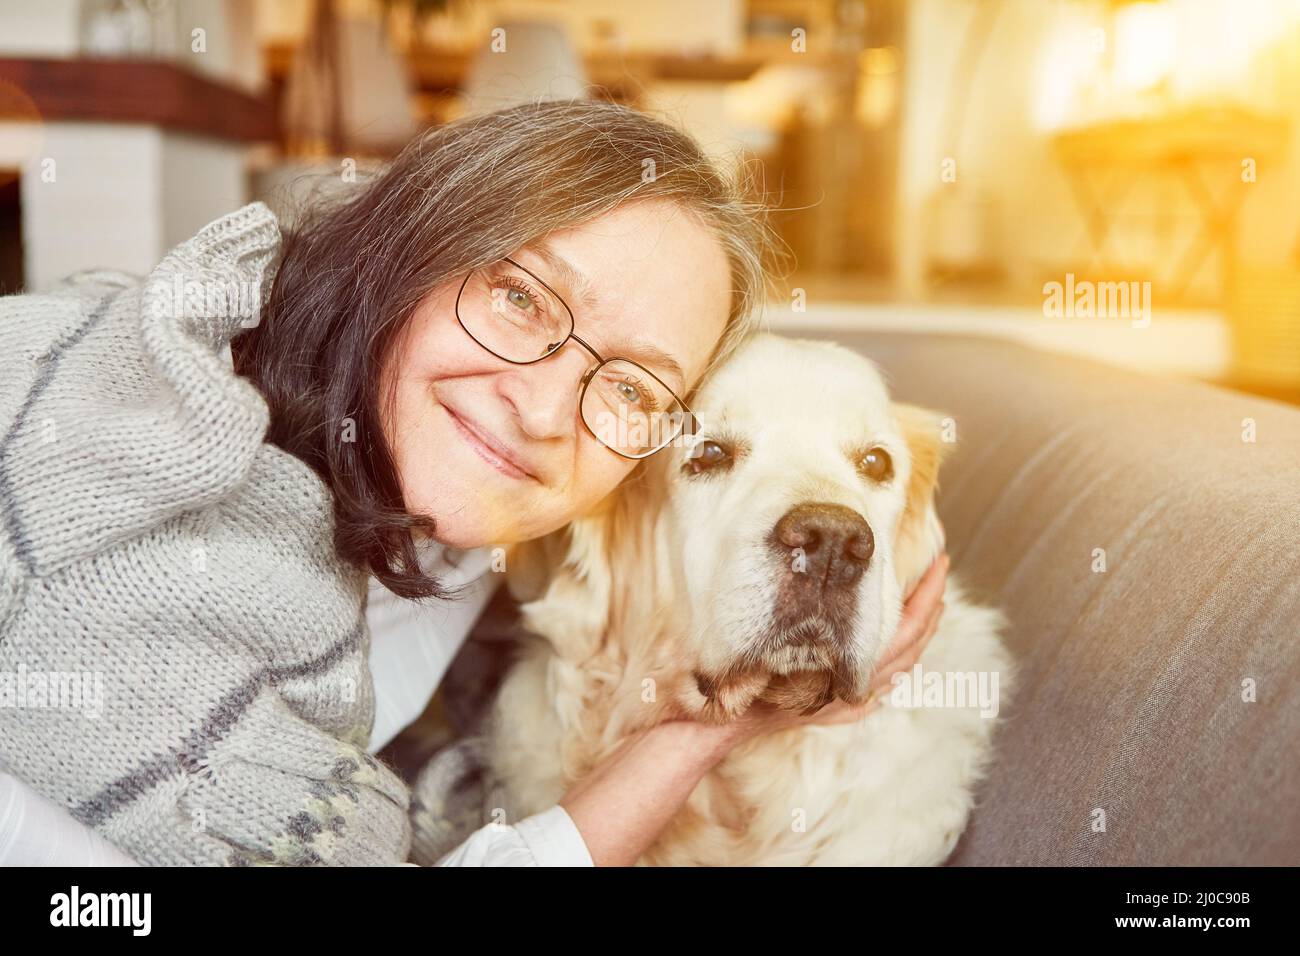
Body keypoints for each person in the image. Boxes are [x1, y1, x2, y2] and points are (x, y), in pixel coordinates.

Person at [0, 99, 947, 866]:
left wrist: (704, 723)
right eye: (521, 296)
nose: (543, 410)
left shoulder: (465, 534)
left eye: (629, 385)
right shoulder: (109, 517)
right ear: (408, 246)